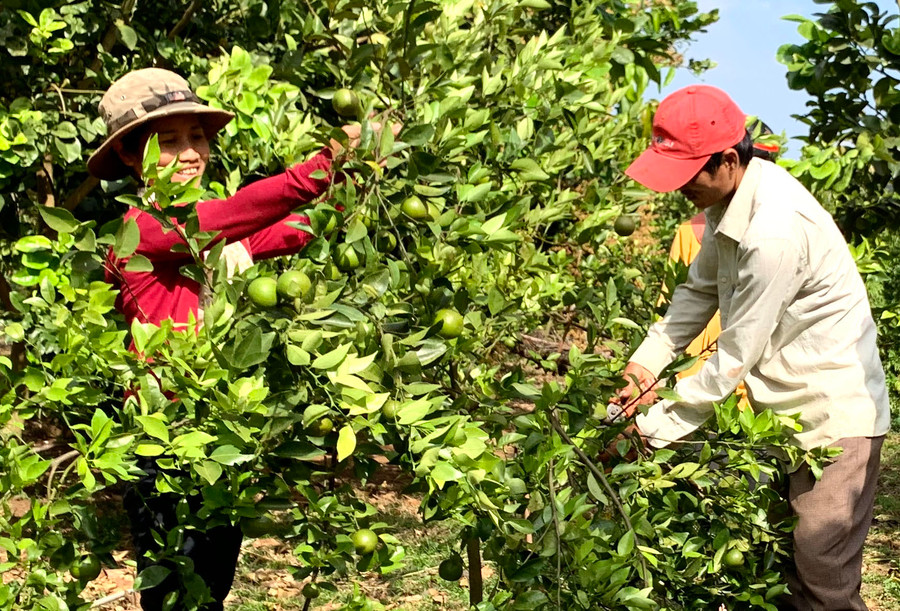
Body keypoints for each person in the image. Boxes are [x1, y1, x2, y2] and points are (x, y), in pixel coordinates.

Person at [87, 68, 377, 610]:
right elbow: (238, 212)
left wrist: (361, 173)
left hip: (221, 429)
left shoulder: (210, 233)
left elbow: (296, 228)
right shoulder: (140, 229)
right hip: (164, 440)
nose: (189, 152)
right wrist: (326, 162)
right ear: (129, 154)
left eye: (196, 136)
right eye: (168, 141)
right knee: (175, 591)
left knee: (213, 584)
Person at [615, 85, 889, 610]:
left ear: (726, 160)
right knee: (782, 574)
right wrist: (643, 366)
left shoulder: (774, 231)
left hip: (831, 420)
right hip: (784, 415)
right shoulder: (730, 202)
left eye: (687, 174)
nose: (680, 189)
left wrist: (648, 429)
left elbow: (734, 356)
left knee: (823, 581)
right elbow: (698, 292)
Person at [661, 121, 779, 402]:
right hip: (708, 378)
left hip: (722, 375)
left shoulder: (773, 232)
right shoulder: (704, 225)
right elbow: (690, 297)